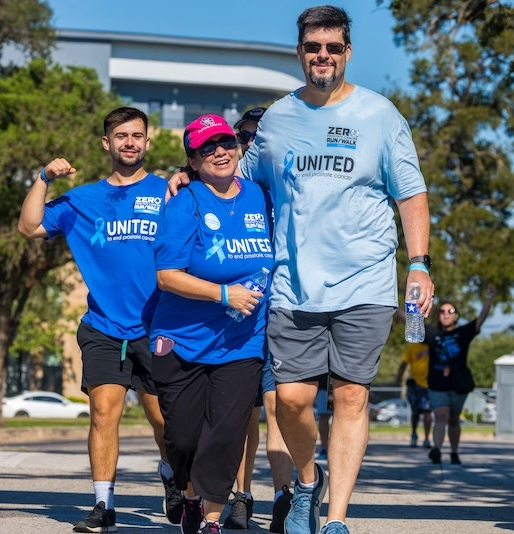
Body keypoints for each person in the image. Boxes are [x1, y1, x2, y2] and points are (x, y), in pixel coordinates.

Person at [166, 7, 434, 534]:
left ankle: (335, 519)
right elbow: (239, 178)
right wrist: (188, 177)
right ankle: (309, 480)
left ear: (347, 52)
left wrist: (420, 265)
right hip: (292, 283)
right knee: (290, 400)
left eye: (333, 48)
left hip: (367, 281)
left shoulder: (381, 115)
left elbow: (412, 195)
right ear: (300, 52)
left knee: (352, 395)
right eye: (314, 47)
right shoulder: (279, 119)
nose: (323, 57)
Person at [17, 107, 177, 532]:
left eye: (137, 136)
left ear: (147, 142)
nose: (129, 142)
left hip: (158, 326)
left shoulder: (168, 193)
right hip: (104, 327)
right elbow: (30, 226)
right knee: (103, 415)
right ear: (106, 143)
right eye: (121, 135)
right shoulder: (82, 199)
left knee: (163, 421)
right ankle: (104, 505)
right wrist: (44, 177)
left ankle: (172, 475)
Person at [150, 114, 273, 534]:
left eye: (225, 142)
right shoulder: (186, 202)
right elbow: (167, 276)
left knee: (227, 432)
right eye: (207, 147)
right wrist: (225, 294)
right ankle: (186, 494)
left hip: (242, 340)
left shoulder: (260, 195)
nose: (219, 151)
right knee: (182, 438)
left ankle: (212, 519)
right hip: (182, 340)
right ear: (193, 159)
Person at [221, 107, 295, 534]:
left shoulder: (286, 186)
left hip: (281, 310)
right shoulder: (222, 188)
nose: (250, 144)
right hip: (233, 317)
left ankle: (284, 498)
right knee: (242, 415)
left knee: (279, 406)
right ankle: (241, 496)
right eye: (243, 137)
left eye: (258, 137)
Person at [426, 287, 496, 465]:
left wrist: (488, 299)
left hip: (458, 384)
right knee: (441, 416)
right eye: (442, 311)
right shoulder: (432, 333)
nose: (446, 314)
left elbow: (480, 320)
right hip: (437, 383)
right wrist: (394, 303)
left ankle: (454, 452)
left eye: (450, 311)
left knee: (454, 419)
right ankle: (437, 449)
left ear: (455, 315)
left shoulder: (463, 332)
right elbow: (408, 319)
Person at [396, 342, 432, 448]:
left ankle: (426, 438)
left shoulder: (432, 346)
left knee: (427, 412)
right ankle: (414, 434)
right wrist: (399, 377)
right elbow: (404, 364)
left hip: (429, 385)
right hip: (415, 384)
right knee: (415, 413)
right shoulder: (412, 348)